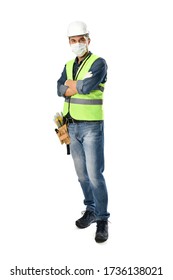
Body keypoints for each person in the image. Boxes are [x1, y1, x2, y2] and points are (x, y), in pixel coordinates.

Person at [57, 21, 110, 243]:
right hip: (72, 125)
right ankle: (90, 209)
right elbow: (59, 88)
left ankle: (102, 220)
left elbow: (88, 88)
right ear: (69, 42)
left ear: (88, 40)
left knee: (95, 176)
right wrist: (73, 84)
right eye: (73, 40)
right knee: (82, 175)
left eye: (81, 39)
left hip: (91, 127)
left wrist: (72, 85)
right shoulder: (68, 64)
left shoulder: (99, 63)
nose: (77, 43)